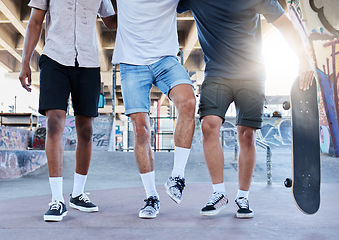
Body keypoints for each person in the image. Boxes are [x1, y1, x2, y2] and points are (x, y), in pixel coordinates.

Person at [178, 0, 314, 218]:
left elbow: (285, 25)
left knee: (247, 134)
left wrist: (303, 60)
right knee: (208, 125)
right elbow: (159, 6)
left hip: (252, 75)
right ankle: (218, 193)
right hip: (216, 74)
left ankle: (243, 196)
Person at [19, 0, 116, 222]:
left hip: (88, 62)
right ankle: (56, 199)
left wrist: (142, 9)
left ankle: (78, 194)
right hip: (54, 58)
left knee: (86, 129)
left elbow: (111, 21)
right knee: (53, 122)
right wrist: (25, 61)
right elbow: (35, 21)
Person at [113, 0, 196, 219]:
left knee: (188, 102)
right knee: (141, 132)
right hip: (132, 64)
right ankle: (151, 196)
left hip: (165, 60)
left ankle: (177, 177)